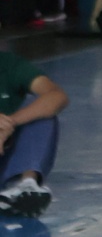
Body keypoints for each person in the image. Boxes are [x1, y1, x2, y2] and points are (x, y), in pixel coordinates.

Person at [0, 50, 66, 217]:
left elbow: (57, 96)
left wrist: (10, 123)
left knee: (40, 112)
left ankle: (25, 186)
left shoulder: (9, 64)